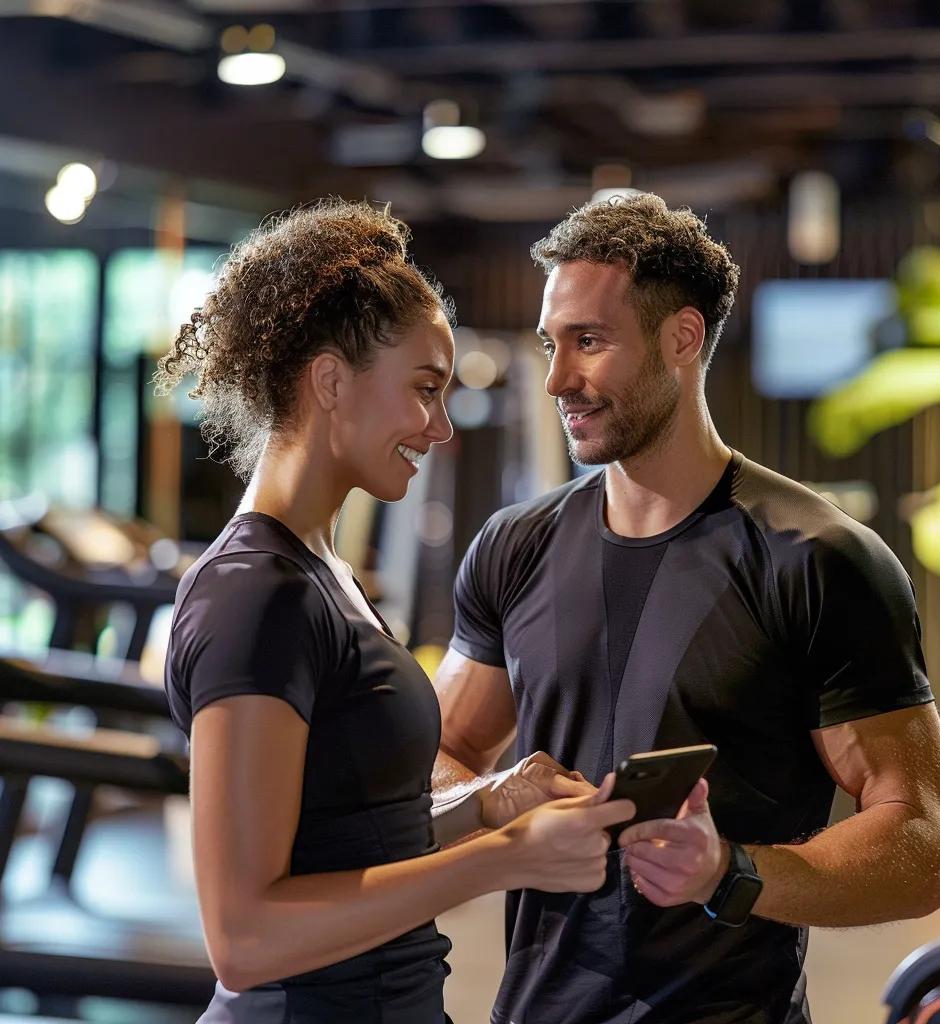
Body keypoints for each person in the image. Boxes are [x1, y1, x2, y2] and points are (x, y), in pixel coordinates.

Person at [432, 194, 940, 1024]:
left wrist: (732, 872)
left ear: (681, 339)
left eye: (590, 342)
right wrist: (498, 798)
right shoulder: (515, 545)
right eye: (551, 344)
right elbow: (439, 753)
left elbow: (921, 849)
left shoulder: (818, 560)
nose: (559, 378)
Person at [157, 199, 634, 1024]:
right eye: (423, 390)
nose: (441, 426)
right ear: (331, 381)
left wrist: (488, 804)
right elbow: (244, 936)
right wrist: (505, 858)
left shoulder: (320, 573)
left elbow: (350, 842)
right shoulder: (254, 594)